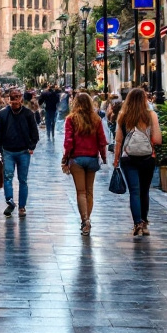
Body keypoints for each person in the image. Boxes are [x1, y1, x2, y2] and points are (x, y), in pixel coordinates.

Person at [114, 88, 161, 237]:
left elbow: (118, 141)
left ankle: (137, 224)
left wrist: (116, 160)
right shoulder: (151, 115)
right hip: (148, 158)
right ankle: (144, 222)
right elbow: (157, 139)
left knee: (134, 191)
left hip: (128, 158)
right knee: (144, 191)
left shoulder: (123, 116)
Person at [62, 92, 107, 236]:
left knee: (80, 192)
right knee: (89, 191)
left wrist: (65, 158)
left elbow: (68, 142)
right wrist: (104, 157)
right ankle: (87, 219)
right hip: (92, 158)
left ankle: (85, 221)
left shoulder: (71, 119)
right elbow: (102, 141)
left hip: (77, 159)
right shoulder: (96, 119)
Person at [0, 88, 39, 217]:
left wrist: (31, 146)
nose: (15, 101)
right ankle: (10, 201)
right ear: (9, 99)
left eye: (17, 97)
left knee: (22, 180)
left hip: (24, 151)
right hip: (8, 151)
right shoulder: (3, 114)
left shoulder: (28, 114)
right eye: (13, 98)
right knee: (8, 177)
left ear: (21, 99)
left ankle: (22, 207)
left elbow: (34, 133)